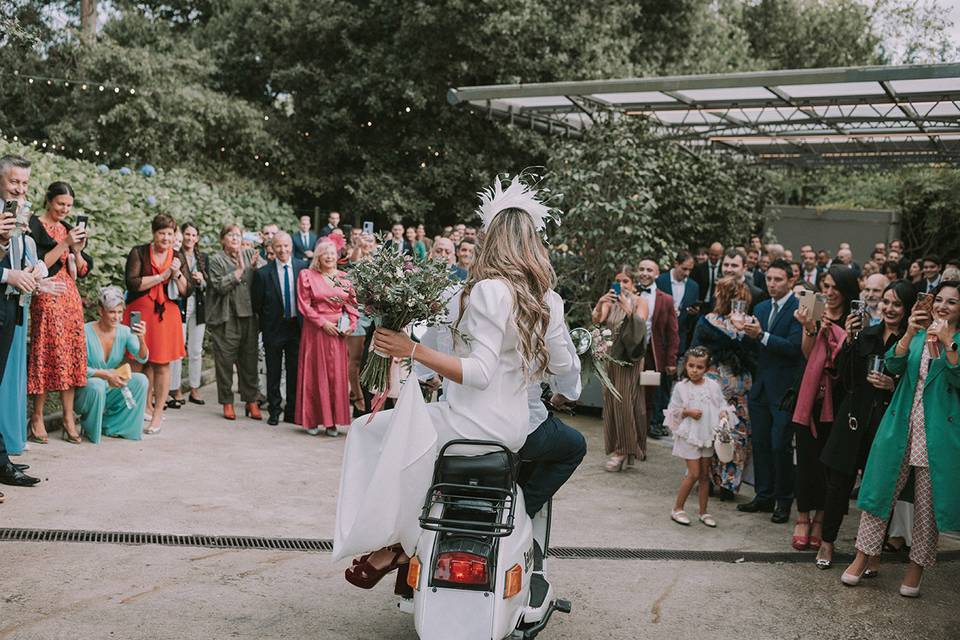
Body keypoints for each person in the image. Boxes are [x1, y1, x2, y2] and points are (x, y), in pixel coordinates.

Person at [334, 177, 576, 589]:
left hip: (471, 423)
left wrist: (413, 350)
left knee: (368, 431)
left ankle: (396, 543)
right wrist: (562, 385)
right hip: (514, 428)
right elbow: (565, 366)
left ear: (492, 241)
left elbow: (479, 373)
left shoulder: (486, 291)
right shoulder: (545, 299)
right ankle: (406, 543)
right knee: (402, 438)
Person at [842, 280, 960, 597]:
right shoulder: (919, 335)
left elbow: (956, 376)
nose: (943, 306)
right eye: (939, 300)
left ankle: (915, 569)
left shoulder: (957, 339)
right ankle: (861, 557)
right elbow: (893, 364)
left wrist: (950, 341)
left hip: (937, 435)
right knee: (879, 495)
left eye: (952, 302)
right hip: (900, 427)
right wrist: (909, 332)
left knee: (926, 508)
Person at [815, 280, 916, 570]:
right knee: (838, 485)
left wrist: (892, 384)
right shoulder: (867, 334)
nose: (889, 308)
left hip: (886, 425)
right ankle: (827, 542)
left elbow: (915, 385)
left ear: (908, 309)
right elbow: (845, 378)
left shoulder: (913, 342)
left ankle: (872, 552)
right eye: (886, 302)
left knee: (880, 490)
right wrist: (849, 339)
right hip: (853, 419)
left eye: (897, 304)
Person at [790, 266, 860, 552]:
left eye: (834, 287)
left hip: (839, 397)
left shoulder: (853, 320)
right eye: (825, 286)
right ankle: (803, 517)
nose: (829, 292)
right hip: (808, 397)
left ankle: (821, 520)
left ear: (845, 290)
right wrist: (809, 327)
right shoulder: (814, 312)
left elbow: (850, 364)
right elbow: (807, 355)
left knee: (828, 465)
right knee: (805, 460)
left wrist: (848, 334)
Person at [1, 154, 58, 483]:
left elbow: (27, 258)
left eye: (24, 183)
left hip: (13, 307)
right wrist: (9, 275)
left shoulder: (21, 217)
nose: (20, 189)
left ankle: (2, 459)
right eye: (14, 182)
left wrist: (36, 273)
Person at [27, 182, 93, 444]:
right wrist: (65, 242)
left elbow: (84, 269)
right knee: (45, 354)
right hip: (47, 294)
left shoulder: (67, 228)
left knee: (72, 356)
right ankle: (38, 416)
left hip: (70, 299)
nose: (64, 210)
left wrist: (76, 250)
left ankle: (68, 417)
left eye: (69, 206)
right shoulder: (33, 225)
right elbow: (39, 265)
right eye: (60, 204)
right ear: (48, 200)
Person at [738, 259, 803, 524]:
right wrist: (742, 332)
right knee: (761, 444)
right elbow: (754, 348)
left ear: (790, 280)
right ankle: (763, 495)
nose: (772, 284)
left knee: (780, 446)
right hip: (761, 386)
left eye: (778, 279)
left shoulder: (799, 309)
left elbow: (794, 348)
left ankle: (783, 500)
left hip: (784, 389)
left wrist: (762, 335)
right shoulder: (762, 306)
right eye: (769, 279)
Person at [123, 213, 191, 434]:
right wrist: (161, 277)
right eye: (162, 233)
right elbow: (132, 283)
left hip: (165, 315)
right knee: (135, 361)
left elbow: (187, 290)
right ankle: (137, 408)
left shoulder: (178, 255)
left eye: (170, 234)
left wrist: (177, 272)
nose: (166, 238)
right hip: (138, 312)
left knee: (161, 364)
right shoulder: (139, 252)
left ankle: (158, 413)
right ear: (154, 233)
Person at [690, 276, 756, 500]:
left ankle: (713, 479)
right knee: (731, 436)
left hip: (728, 392)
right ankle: (723, 482)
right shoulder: (712, 322)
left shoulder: (747, 325)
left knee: (718, 434)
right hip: (722, 391)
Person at [664, 346, 733, 528]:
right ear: (685, 366)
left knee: (704, 476)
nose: (694, 370)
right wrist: (688, 412)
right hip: (690, 435)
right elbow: (672, 412)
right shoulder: (681, 387)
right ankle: (677, 508)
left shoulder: (712, 386)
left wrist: (723, 414)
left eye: (699, 367)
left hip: (707, 434)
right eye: (691, 366)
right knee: (693, 473)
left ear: (707, 368)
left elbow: (721, 404)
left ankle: (703, 511)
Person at [296, 240, 358, 436]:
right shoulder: (307, 276)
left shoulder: (345, 278)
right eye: (325, 253)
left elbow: (352, 307)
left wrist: (351, 326)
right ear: (318, 257)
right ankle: (312, 420)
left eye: (332, 253)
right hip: (316, 331)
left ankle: (332, 422)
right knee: (315, 374)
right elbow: (304, 306)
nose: (330, 256)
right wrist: (323, 323)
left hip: (338, 334)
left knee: (335, 376)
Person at [75, 286, 150, 442]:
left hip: (109, 385)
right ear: (101, 311)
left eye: (120, 312)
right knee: (97, 385)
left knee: (141, 380)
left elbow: (142, 358)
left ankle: (113, 426)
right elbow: (76, 368)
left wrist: (142, 339)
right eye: (112, 312)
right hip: (86, 389)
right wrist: (106, 374)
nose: (117, 317)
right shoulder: (84, 331)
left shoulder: (124, 331)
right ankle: (89, 428)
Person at [592, 265, 649, 468]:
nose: (622, 285)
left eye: (626, 281)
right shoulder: (610, 301)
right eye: (619, 281)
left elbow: (639, 326)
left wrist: (628, 307)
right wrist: (600, 303)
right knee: (611, 402)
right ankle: (625, 448)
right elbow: (597, 319)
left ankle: (623, 450)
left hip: (629, 359)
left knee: (625, 403)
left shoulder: (639, 301)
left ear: (633, 284)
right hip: (610, 357)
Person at [206, 224, 262, 420]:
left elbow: (264, 276)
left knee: (250, 362)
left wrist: (256, 268)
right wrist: (239, 271)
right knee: (225, 363)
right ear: (223, 239)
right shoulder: (215, 260)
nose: (235, 238)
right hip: (226, 318)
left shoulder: (249, 255)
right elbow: (220, 286)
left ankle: (251, 401)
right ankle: (227, 402)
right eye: (230, 235)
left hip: (249, 318)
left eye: (238, 235)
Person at [252, 232, 307, 426]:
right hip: (273, 327)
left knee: (294, 371)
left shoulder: (303, 268)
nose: (282, 250)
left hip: (296, 327)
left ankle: (291, 411)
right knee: (273, 371)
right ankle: (274, 410)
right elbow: (257, 304)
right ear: (272, 249)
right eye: (278, 246)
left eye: (285, 246)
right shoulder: (263, 273)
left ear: (291, 246)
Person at [635, 258, 679, 441]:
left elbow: (673, 332)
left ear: (657, 274)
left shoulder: (666, 299)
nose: (645, 273)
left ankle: (642, 436)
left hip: (653, 354)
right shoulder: (629, 292)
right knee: (630, 394)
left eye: (649, 270)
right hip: (630, 353)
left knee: (649, 397)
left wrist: (671, 360)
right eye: (642, 269)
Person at [168, 222, 208, 406]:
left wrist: (201, 281)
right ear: (182, 235)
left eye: (194, 235)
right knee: (178, 349)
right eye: (187, 234)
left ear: (197, 238)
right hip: (181, 305)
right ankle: (175, 388)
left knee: (196, 350)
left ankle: (194, 387)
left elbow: (209, 285)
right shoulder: (176, 254)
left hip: (198, 306)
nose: (190, 238)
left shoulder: (202, 258)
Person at [656, 251, 700, 354]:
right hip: (660, 337)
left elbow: (691, 321)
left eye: (690, 270)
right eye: (684, 269)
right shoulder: (660, 281)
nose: (687, 273)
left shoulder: (694, 286)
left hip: (680, 339)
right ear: (676, 264)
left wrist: (693, 313)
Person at [691, 241, 723, 313]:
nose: (713, 257)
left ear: (721, 255)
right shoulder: (699, 268)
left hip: (718, 306)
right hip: (701, 305)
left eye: (716, 255)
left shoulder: (724, 268)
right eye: (711, 254)